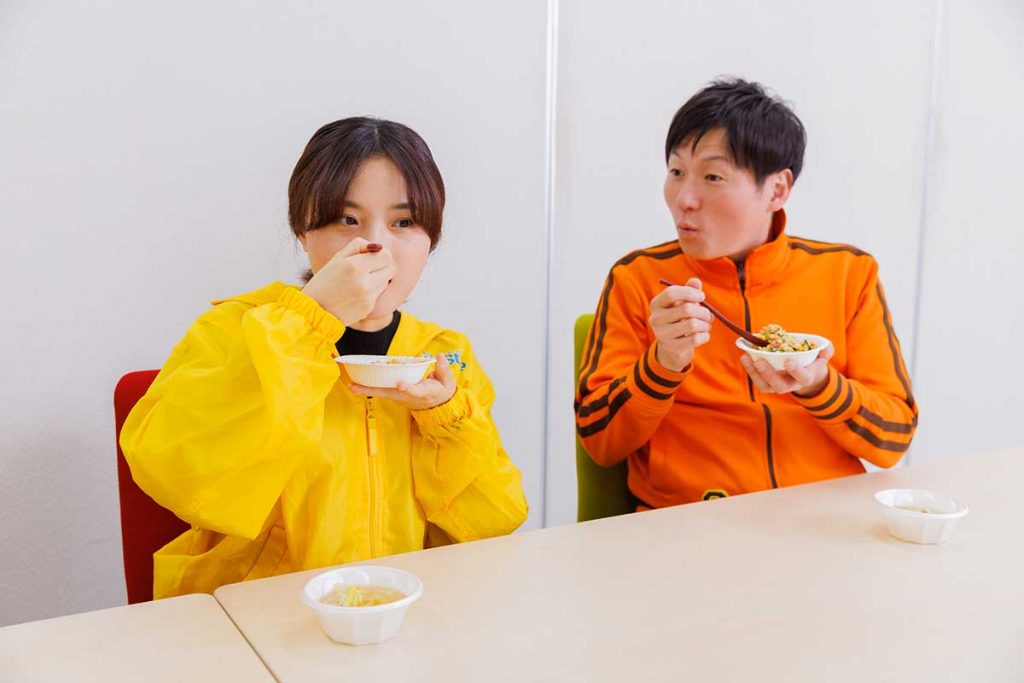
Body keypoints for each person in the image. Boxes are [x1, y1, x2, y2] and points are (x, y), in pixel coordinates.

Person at [122, 117, 528, 598]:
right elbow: (176, 475)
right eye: (346, 220)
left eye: (403, 222)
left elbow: (495, 521)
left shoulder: (444, 354)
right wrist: (310, 320)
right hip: (260, 614)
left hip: (399, 612)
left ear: (429, 241)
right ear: (303, 230)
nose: (375, 245)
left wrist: (444, 415)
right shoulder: (239, 329)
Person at [575, 79, 917, 508]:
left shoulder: (849, 274)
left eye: (712, 177)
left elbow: (892, 438)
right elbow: (600, 441)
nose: (684, 199)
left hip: (819, 521)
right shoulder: (638, 279)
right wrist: (663, 363)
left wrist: (818, 384)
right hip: (689, 524)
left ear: (777, 190)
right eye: (676, 172)